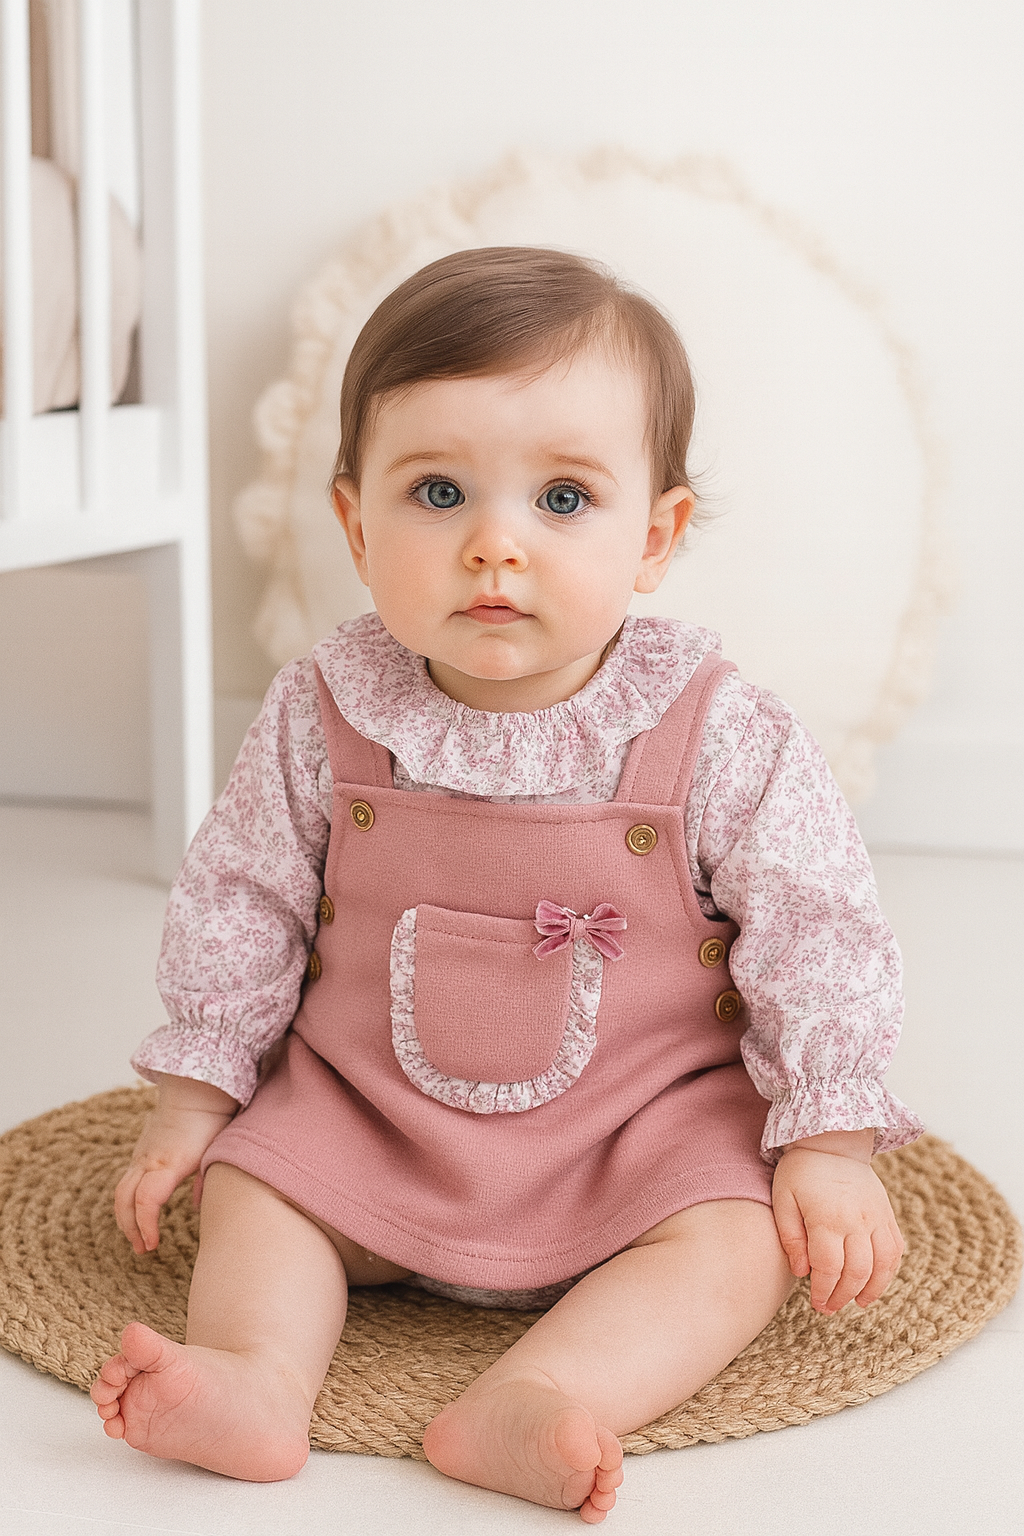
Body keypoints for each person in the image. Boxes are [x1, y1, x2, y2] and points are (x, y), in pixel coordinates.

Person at [90, 247, 921, 1523]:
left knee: (742, 1233)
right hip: (371, 1117)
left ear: (655, 538)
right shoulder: (324, 712)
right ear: (355, 525)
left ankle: (540, 1394)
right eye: (438, 492)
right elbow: (241, 899)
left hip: (637, 1134)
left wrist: (829, 1138)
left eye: (563, 499)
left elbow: (819, 933)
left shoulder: (718, 732)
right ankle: (257, 1375)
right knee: (259, 1184)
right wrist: (198, 1095)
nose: (494, 546)